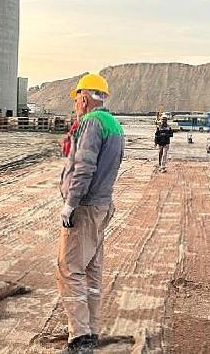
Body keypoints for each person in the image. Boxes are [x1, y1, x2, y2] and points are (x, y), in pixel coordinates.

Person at [57, 73, 125, 354]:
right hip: (103, 204)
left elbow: (84, 167)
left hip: (85, 207)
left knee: (69, 268)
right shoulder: (114, 124)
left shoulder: (91, 122)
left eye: (77, 98)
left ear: (84, 97)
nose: (76, 104)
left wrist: (70, 203)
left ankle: (81, 336)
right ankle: (91, 327)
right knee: (92, 268)